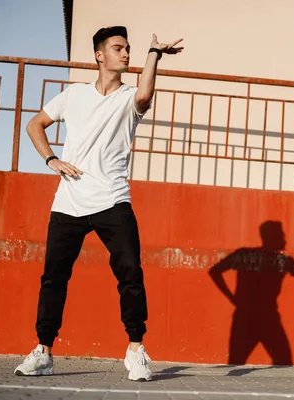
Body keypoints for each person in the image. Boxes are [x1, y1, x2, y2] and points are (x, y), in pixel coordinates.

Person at [13, 26, 183, 382]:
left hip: (112, 200)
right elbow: (34, 124)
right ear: (99, 55)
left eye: (128, 49)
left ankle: (136, 351)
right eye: (118, 48)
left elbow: (145, 95)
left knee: (130, 274)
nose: (125, 54)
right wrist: (50, 159)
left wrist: (154, 55)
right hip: (69, 202)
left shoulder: (129, 99)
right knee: (54, 278)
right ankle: (43, 352)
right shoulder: (73, 95)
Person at [209, 221, 294, 365]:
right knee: (283, 361)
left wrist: (231, 298)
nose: (285, 240)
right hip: (268, 318)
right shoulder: (283, 261)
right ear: (270, 237)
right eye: (281, 236)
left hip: (245, 317)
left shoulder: (244, 255)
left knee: (236, 362)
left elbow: (215, 271)